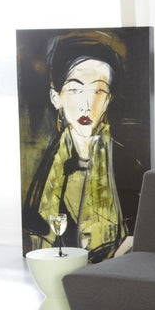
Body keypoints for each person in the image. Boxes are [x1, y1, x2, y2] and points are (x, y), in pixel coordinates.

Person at [22, 31, 129, 263]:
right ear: (56, 97)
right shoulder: (46, 170)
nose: (87, 104)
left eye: (98, 90)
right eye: (75, 89)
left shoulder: (126, 164)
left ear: (108, 99)